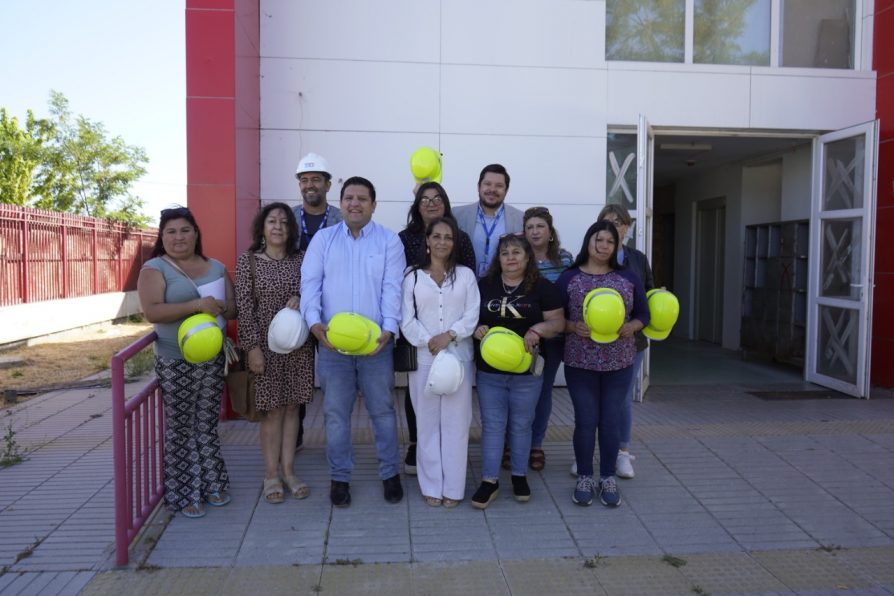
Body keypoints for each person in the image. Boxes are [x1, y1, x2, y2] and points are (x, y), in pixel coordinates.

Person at [300, 176, 406, 508]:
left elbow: (393, 289)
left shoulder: (389, 241)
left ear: (374, 205)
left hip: (377, 346)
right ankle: (340, 478)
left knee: (384, 413)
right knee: (335, 415)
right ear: (340, 202)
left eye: (362, 198)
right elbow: (310, 286)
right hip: (333, 346)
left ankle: (390, 474)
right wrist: (315, 325)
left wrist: (389, 329)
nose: (355, 203)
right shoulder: (323, 239)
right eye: (349, 197)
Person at [137, 206, 236, 519]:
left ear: (196, 233)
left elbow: (232, 309)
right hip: (175, 359)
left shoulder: (216, 266)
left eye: (185, 230)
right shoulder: (154, 268)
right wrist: (196, 305)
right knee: (180, 427)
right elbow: (152, 311)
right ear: (162, 236)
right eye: (171, 232)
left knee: (206, 424)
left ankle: (213, 483)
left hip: (211, 357)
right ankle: (184, 493)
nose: (179, 237)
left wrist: (220, 306)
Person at [555, 220, 649, 508]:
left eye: (609, 241)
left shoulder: (629, 278)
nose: (603, 246)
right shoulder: (569, 277)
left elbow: (644, 315)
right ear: (589, 242)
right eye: (598, 240)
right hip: (579, 361)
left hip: (618, 362)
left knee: (609, 422)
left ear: (616, 245)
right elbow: (555, 318)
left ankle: (607, 477)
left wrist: (632, 325)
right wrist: (571, 326)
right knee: (585, 421)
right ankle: (585, 476)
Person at [470, 235, 564, 509]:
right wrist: (477, 328)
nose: (510, 257)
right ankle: (489, 481)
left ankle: (519, 477)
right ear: (498, 259)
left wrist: (539, 330)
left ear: (527, 257)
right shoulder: (484, 285)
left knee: (522, 425)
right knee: (493, 425)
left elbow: (558, 322)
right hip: (489, 371)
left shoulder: (543, 287)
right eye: (504, 253)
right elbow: (469, 316)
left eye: (516, 252)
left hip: (528, 371)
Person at [235, 202, 315, 505]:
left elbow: (314, 291)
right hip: (265, 349)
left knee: (293, 407)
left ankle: (290, 471)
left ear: (291, 228)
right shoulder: (249, 261)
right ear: (263, 228)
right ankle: (271, 475)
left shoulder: (302, 259)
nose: (278, 226)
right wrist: (252, 348)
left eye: (284, 221)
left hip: (297, 347)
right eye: (272, 221)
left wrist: (300, 296)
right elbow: (244, 308)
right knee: (272, 411)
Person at [399, 217, 479, 507]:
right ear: (428, 241)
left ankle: (454, 489)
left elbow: (472, 314)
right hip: (424, 360)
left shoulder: (466, 276)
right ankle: (431, 484)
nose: (442, 241)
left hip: (459, 358)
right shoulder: (412, 277)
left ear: (454, 243)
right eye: (437, 236)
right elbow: (405, 319)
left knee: (457, 425)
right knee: (427, 424)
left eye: (448, 237)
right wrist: (429, 341)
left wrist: (450, 335)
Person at [597, 204, 654, 479]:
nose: (614, 226)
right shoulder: (590, 257)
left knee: (620, 400)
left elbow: (650, 297)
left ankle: (621, 453)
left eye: (620, 222)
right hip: (594, 342)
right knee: (592, 400)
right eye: (608, 222)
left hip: (631, 341)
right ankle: (587, 453)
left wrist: (636, 323)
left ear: (627, 228)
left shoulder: (638, 259)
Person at [292, 152, 343, 451]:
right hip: (295, 306)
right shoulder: (287, 216)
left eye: (315, 180)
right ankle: (295, 434)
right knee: (298, 372)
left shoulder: (340, 217)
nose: (310, 185)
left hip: (332, 309)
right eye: (304, 180)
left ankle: (335, 437)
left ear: (327, 184)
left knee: (331, 379)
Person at [523, 206, 574, 472]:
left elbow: (571, 297)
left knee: (542, 391)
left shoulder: (564, 260)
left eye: (540, 226)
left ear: (550, 231)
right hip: (521, 339)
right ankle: (513, 443)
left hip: (552, 339)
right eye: (530, 227)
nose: (535, 231)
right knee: (518, 392)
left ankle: (536, 445)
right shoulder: (518, 258)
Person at [452, 164, 524, 278]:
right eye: (487, 184)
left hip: (502, 290)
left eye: (499, 186)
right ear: (478, 187)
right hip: (464, 287)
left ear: (506, 190)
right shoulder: (456, 215)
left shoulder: (520, 219)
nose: (492, 189)